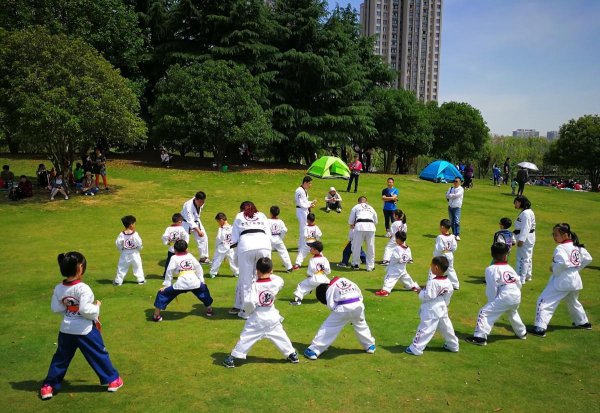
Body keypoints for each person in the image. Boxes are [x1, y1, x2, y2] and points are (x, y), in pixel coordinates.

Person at [40, 252, 123, 400]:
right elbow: (85, 310)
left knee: (61, 358)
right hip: (85, 330)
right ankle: (112, 380)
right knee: (98, 354)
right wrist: (97, 306)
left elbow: (56, 308)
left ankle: (49, 386)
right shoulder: (83, 288)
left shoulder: (59, 288)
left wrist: (69, 307)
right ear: (80, 269)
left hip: (66, 329)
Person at [223, 258, 298, 368]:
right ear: (271, 270)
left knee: (247, 337)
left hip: (257, 317)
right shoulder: (276, 282)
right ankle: (292, 354)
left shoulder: (254, 285)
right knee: (280, 335)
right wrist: (269, 273)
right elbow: (278, 279)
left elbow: (249, 302)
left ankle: (233, 358)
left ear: (256, 270)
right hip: (272, 316)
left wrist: (246, 313)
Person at [531, 224, 592, 337]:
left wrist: (554, 269)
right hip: (575, 279)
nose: (554, 236)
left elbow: (562, 262)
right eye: (553, 234)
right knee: (573, 302)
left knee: (544, 301)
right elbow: (588, 258)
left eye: (556, 234)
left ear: (564, 235)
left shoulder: (561, 248)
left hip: (562, 280)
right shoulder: (577, 246)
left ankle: (540, 327)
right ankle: (583, 322)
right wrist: (576, 268)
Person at [465, 243, 527, 346]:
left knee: (484, 312)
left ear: (492, 254)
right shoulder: (509, 268)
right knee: (512, 312)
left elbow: (491, 288)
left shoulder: (491, 269)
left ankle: (479, 337)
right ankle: (522, 332)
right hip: (516, 293)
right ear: (506, 255)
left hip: (505, 295)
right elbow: (518, 282)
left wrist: (491, 301)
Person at [303, 276, 376, 360]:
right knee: (361, 325)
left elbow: (330, 304)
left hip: (343, 308)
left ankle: (314, 350)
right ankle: (370, 345)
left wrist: (336, 310)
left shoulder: (331, 287)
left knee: (329, 327)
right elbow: (359, 293)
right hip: (358, 305)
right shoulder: (348, 280)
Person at [405, 256, 459, 356]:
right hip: (442, 306)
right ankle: (453, 345)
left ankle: (416, 348)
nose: (430, 267)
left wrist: (420, 292)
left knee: (425, 328)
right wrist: (445, 304)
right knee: (447, 328)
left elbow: (427, 296)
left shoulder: (433, 282)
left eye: (432, 265)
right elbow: (448, 295)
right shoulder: (448, 282)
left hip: (431, 308)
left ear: (436, 268)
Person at [153, 240, 214, 321]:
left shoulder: (174, 257)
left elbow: (169, 271)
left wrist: (166, 286)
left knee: (162, 294)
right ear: (187, 249)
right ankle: (209, 309)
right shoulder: (190, 255)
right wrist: (202, 281)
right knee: (203, 290)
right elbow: (198, 267)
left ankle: (156, 315)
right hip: (194, 282)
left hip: (181, 284)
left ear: (175, 250)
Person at [230, 201, 271, 318]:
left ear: (241, 209)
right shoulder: (262, 215)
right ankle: (264, 304)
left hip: (246, 246)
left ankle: (246, 310)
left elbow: (234, 238)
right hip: (264, 244)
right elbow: (268, 234)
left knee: (246, 280)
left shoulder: (239, 216)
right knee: (264, 277)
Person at [375, 231, 419, 296]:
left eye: (396, 238)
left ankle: (385, 291)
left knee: (389, 278)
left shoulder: (397, 248)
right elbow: (409, 258)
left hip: (395, 267)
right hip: (403, 267)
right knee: (406, 278)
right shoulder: (408, 248)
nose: (395, 240)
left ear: (398, 239)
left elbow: (396, 258)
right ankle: (413, 287)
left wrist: (390, 265)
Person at [290, 241, 331, 305]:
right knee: (327, 288)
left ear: (316, 250)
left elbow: (310, 272)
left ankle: (297, 300)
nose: (310, 249)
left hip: (315, 278)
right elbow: (328, 271)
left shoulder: (312, 260)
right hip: (324, 279)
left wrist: (309, 277)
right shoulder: (325, 259)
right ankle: (329, 299)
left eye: (311, 248)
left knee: (301, 286)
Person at [113, 215, 145, 286]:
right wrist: (139, 249)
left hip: (125, 253)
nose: (134, 225)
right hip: (134, 253)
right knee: (137, 266)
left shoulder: (121, 234)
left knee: (122, 267)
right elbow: (139, 243)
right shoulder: (135, 234)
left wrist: (121, 250)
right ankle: (141, 280)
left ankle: (118, 281)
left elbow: (118, 243)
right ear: (131, 225)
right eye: (134, 223)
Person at [348, 196, 378, 271]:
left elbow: (351, 221)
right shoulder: (371, 208)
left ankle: (355, 264)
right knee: (370, 247)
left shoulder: (356, 207)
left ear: (358, 202)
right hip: (371, 227)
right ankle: (370, 266)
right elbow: (376, 221)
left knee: (356, 246)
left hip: (360, 226)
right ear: (366, 202)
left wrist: (352, 224)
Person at [181, 191, 210, 264]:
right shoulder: (188, 206)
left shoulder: (201, 201)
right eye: (200, 202)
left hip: (196, 221)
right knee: (184, 241)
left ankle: (203, 258)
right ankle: (181, 258)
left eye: (203, 202)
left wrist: (199, 230)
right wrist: (198, 231)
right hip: (186, 223)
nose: (202, 204)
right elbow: (190, 220)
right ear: (196, 199)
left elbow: (196, 215)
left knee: (204, 238)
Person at [513, 195, 535, 284]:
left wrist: (521, 240)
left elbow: (526, 227)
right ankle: (527, 275)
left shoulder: (526, 213)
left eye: (516, 202)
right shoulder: (527, 212)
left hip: (525, 237)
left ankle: (520, 278)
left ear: (520, 202)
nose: (515, 204)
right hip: (528, 236)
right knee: (527, 257)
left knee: (522, 258)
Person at [209, 212, 239, 278]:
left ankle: (213, 272)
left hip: (222, 246)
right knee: (232, 260)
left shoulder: (221, 229)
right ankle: (236, 272)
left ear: (221, 220)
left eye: (218, 222)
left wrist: (216, 246)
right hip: (230, 246)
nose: (218, 223)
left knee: (217, 259)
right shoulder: (232, 228)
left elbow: (218, 238)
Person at [295, 176, 316, 262]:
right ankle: (301, 246)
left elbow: (305, 201)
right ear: (305, 182)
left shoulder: (304, 190)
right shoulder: (299, 191)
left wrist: (311, 202)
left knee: (305, 227)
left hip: (304, 210)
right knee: (303, 228)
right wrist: (309, 205)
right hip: (301, 210)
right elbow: (300, 203)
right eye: (310, 183)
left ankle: (301, 244)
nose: (310, 185)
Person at [433, 219, 460, 290]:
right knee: (450, 269)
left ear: (442, 227)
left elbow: (439, 248)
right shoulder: (452, 236)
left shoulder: (440, 237)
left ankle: (433, 283)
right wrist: (450, 251)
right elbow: (455, 246)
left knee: (437, 269)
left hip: (443, 256)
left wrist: (435, 256)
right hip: (450, 254)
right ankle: (455, 284)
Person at [161, 213, 189, 279]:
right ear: (179, 222)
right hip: (180, 249)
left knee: (169, 262)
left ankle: (165, 275)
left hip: (171, 248)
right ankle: (183, 274)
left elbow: (164, 236)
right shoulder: (181, 228)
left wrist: (167, 242)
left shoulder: (168, 228)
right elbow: (186, 236)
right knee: (182, 262)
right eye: (181, 222)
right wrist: (185, 245)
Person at [267, 206, 293, 272]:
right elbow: (285, 230)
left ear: (270, 213)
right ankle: (289, 267)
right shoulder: (280, 221)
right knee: (284, 253)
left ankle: (267, 269)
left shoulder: (267, 221)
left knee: (267, 254)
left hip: (269, 240)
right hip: (278, 240)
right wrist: (281, 237)